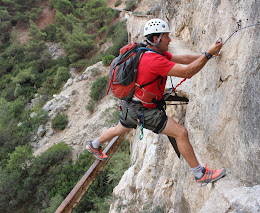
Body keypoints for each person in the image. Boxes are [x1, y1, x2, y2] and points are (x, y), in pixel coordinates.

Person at [86, 18, 226, 185]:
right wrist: (208, 54)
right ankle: (200, 174)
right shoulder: (154, 60)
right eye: (166, 36)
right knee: (181, 133)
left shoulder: (149, 52)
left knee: (119, 128)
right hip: (144, 111)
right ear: (155, 39)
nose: (170, 39)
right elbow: (188, 72)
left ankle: (94, 144)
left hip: (129, 106)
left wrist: (206, 54)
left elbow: (183, 58)